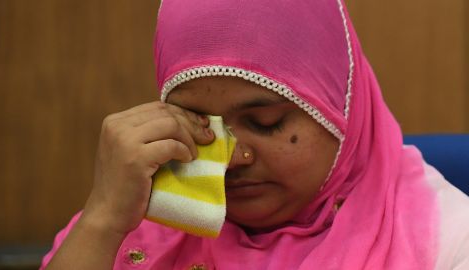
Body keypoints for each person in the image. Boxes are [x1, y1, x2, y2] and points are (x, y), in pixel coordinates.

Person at [41, 0, 469, 269]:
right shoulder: (136, 219)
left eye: (267, 123)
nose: (232, 156)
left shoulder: (445, 241)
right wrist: (101, 220)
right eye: (199, 122)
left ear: (341, 109)